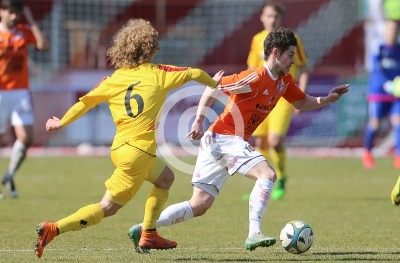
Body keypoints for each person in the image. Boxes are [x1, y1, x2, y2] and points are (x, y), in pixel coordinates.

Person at [127, 27, 349, 252]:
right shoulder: (253, 77)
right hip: (224, 138)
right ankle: (254, 232)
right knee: (267, 174)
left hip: (219, 142)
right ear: (276, 52)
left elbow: (301, 102)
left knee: (200, 204)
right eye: (290, 54)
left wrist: (327, 99)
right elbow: (213, 87)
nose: (293, 60)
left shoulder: (284, 81)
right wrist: (198, 120)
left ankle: (143, 228)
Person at [34, 18, 224, 258]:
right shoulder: (159, 73)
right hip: (139, 152)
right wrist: (212, 82)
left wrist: (60, 121)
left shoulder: (113, 79)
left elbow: (85, 103)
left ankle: (149, 233)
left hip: (122, 149)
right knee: (107, 208)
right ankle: (53, 229)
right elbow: (195, 72)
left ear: (121, 49)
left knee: (165, 179)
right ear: (152, 47)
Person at [246, 2, 310, 200]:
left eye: (275, 16)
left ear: (280, 19)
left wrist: (301, 95)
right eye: (269, 16)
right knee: (261, 141)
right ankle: (261, 184)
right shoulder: (257, 40)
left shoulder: (292, 39)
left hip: (283, 96)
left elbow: (304, 68)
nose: (272, 20)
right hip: (261, 98)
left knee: (275, 141)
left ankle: (281, 177)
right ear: (262, 18)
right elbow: (252, 70)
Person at [0, 0, 50, 199]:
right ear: (1, 11)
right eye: (10, 12)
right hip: (1, 93)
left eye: (17, 13)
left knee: (26, 138)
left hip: (20, 92)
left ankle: (9, 175)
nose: (14, 17)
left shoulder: (24, 30)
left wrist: (30, 20)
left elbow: (43, 45)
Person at [362, 20, 400, 169]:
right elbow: (376, 68)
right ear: (385, 30)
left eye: (395, 28)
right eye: (390, 28)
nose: (392, 31)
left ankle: (398, 157)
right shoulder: (378, 46)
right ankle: (367, 153)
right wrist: (387, 84)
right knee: (375, 124)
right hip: (378, 93)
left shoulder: (399, 48)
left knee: (398, 123)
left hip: (396, 94)